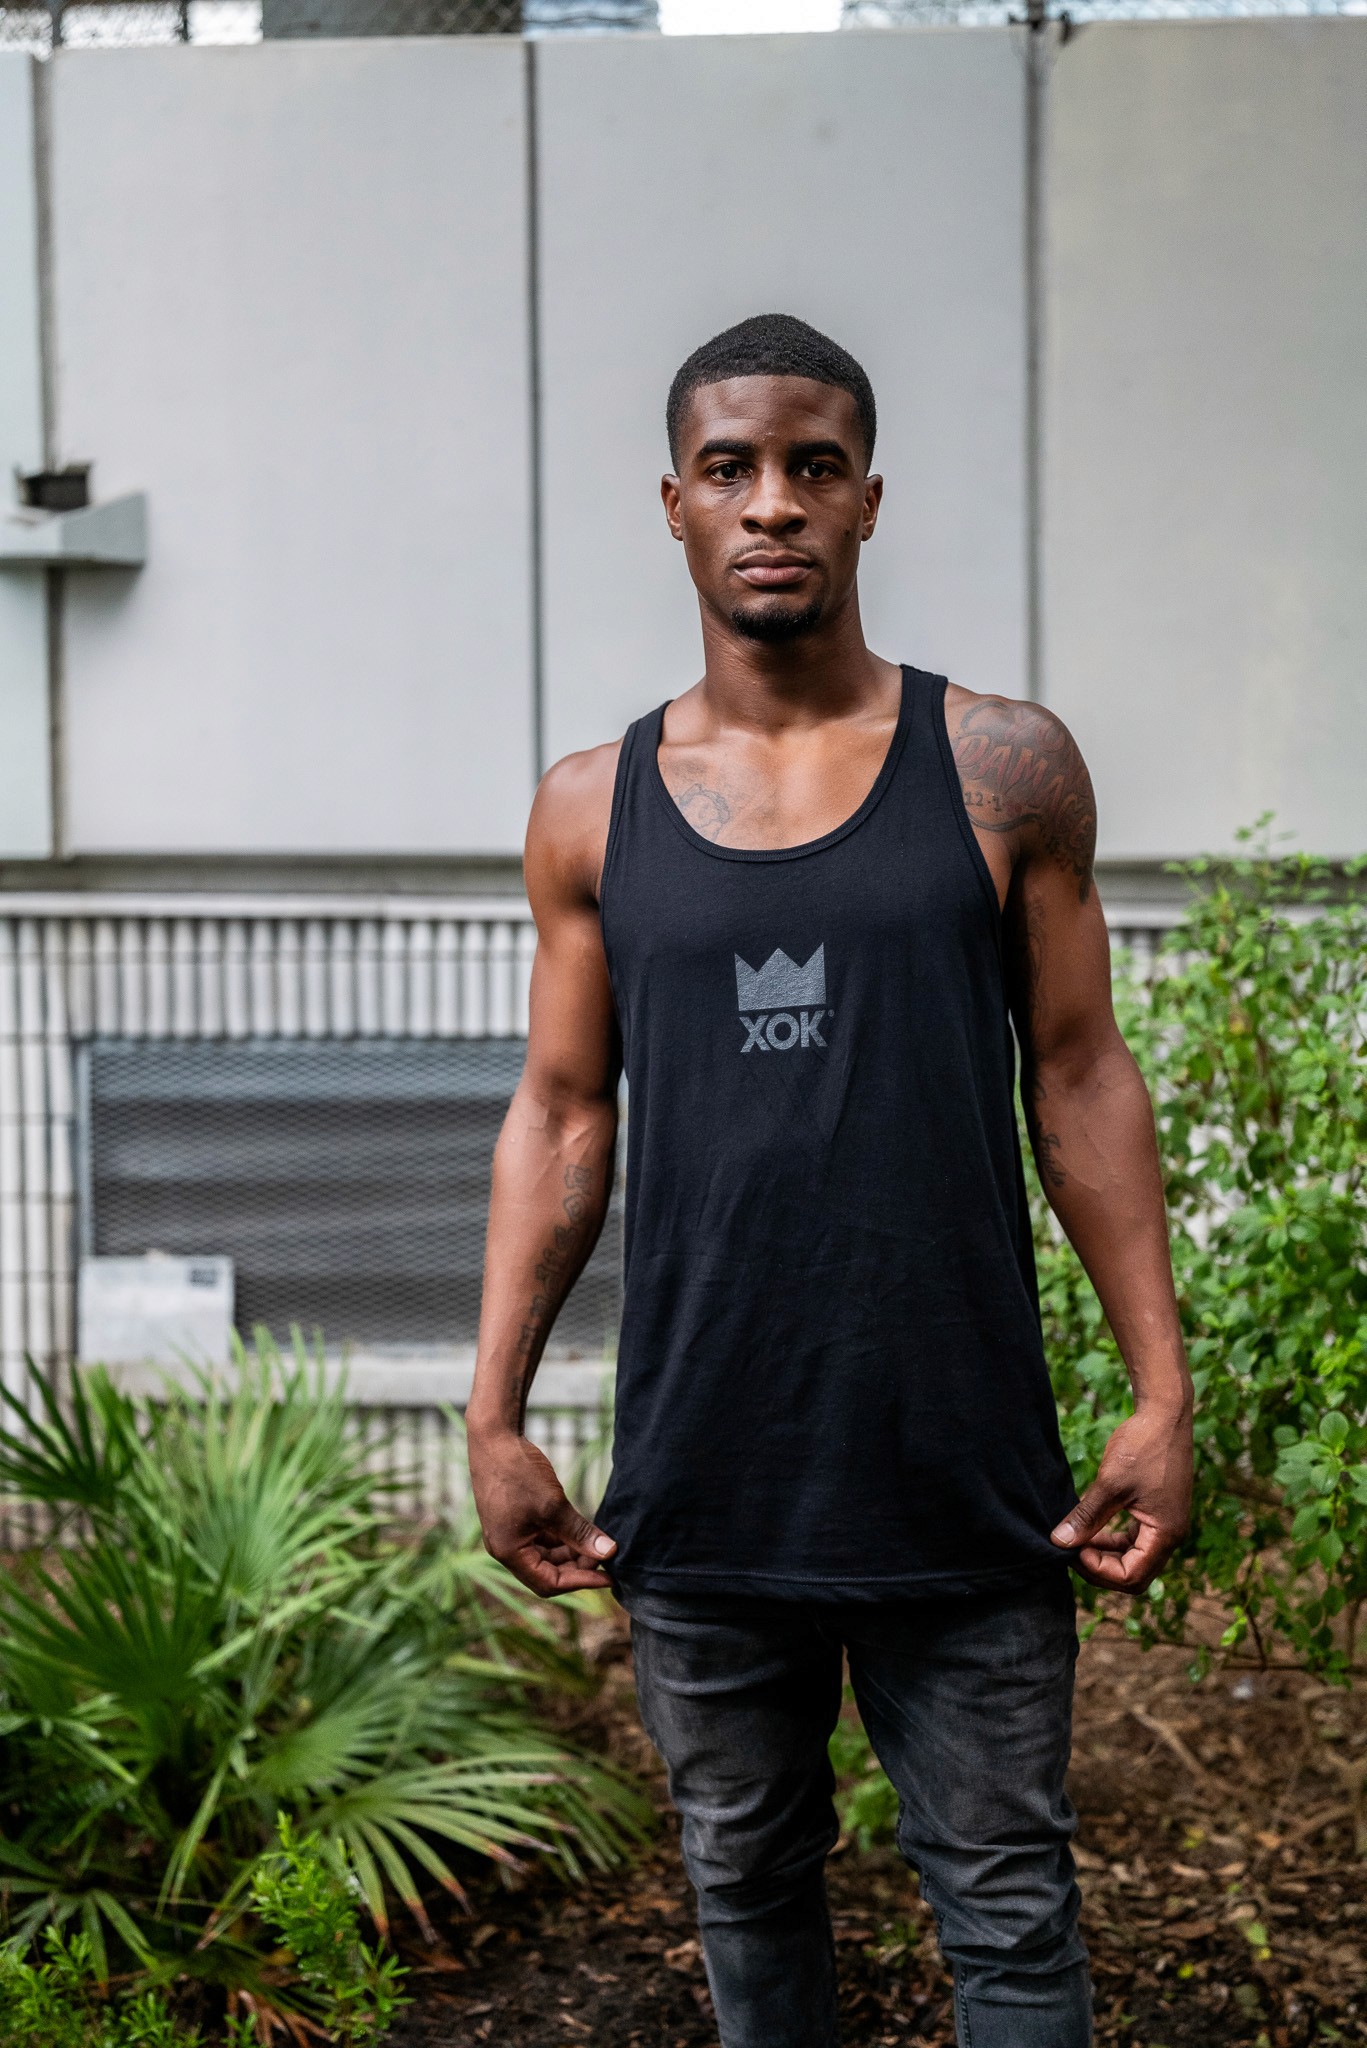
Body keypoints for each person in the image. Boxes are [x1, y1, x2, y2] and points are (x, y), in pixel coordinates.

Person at [467, 313, 1194, 2048]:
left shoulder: (1002, 765)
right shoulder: (592, 806)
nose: (771, 502)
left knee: (1010, 1912)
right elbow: (564, 1112)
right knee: (745, 1893)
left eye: (811, 466)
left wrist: (1160, 1391)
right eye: (732, 469)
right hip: (709, 1488)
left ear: (871, 498)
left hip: (967, 1479)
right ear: (674, 504)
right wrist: (493, 1410)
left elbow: (1081, 1074)